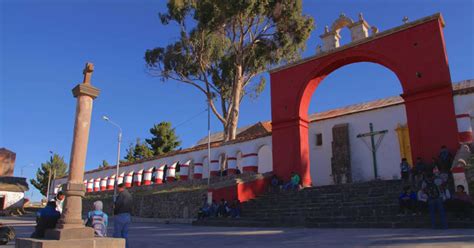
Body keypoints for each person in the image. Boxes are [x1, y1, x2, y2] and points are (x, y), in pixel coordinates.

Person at [113, 183, 132, 248]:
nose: (117, 190)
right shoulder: (129, 195)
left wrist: (114, 211)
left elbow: (117, 205)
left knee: (117, 234)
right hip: (128, 215)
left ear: (121, 188)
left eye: (118, 188)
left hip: (120, 215)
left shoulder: (121, 195)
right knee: (125, 234)